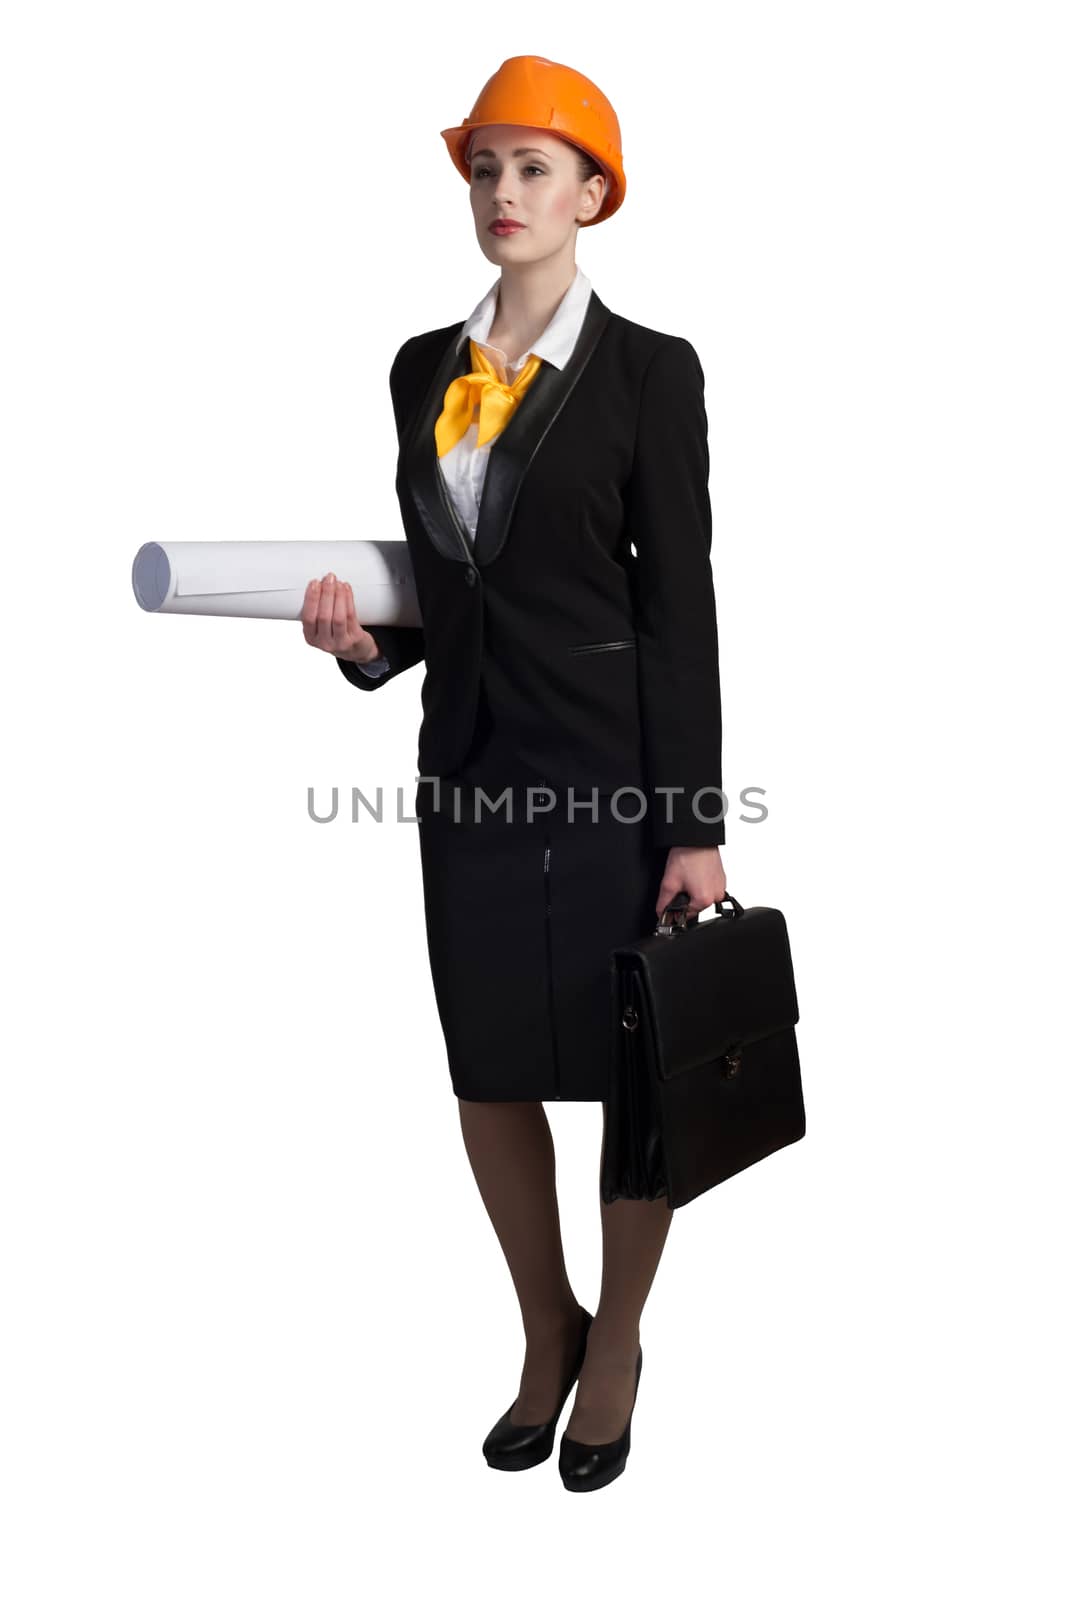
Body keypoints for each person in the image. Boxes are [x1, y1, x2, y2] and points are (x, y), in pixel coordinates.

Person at [301, 55, 728, 1492]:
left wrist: (695, 828)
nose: (503, 192)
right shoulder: (424, 368)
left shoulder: (651, 373)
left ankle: (618, 1354)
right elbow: (454, 587)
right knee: (488, 1072)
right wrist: (368, 647)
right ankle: (547, 1329)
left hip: (610, 780)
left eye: (534, 168)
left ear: (593, 195)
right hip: (470, 780)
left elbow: (681, 610)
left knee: (632, 1076)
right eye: (485, 166)